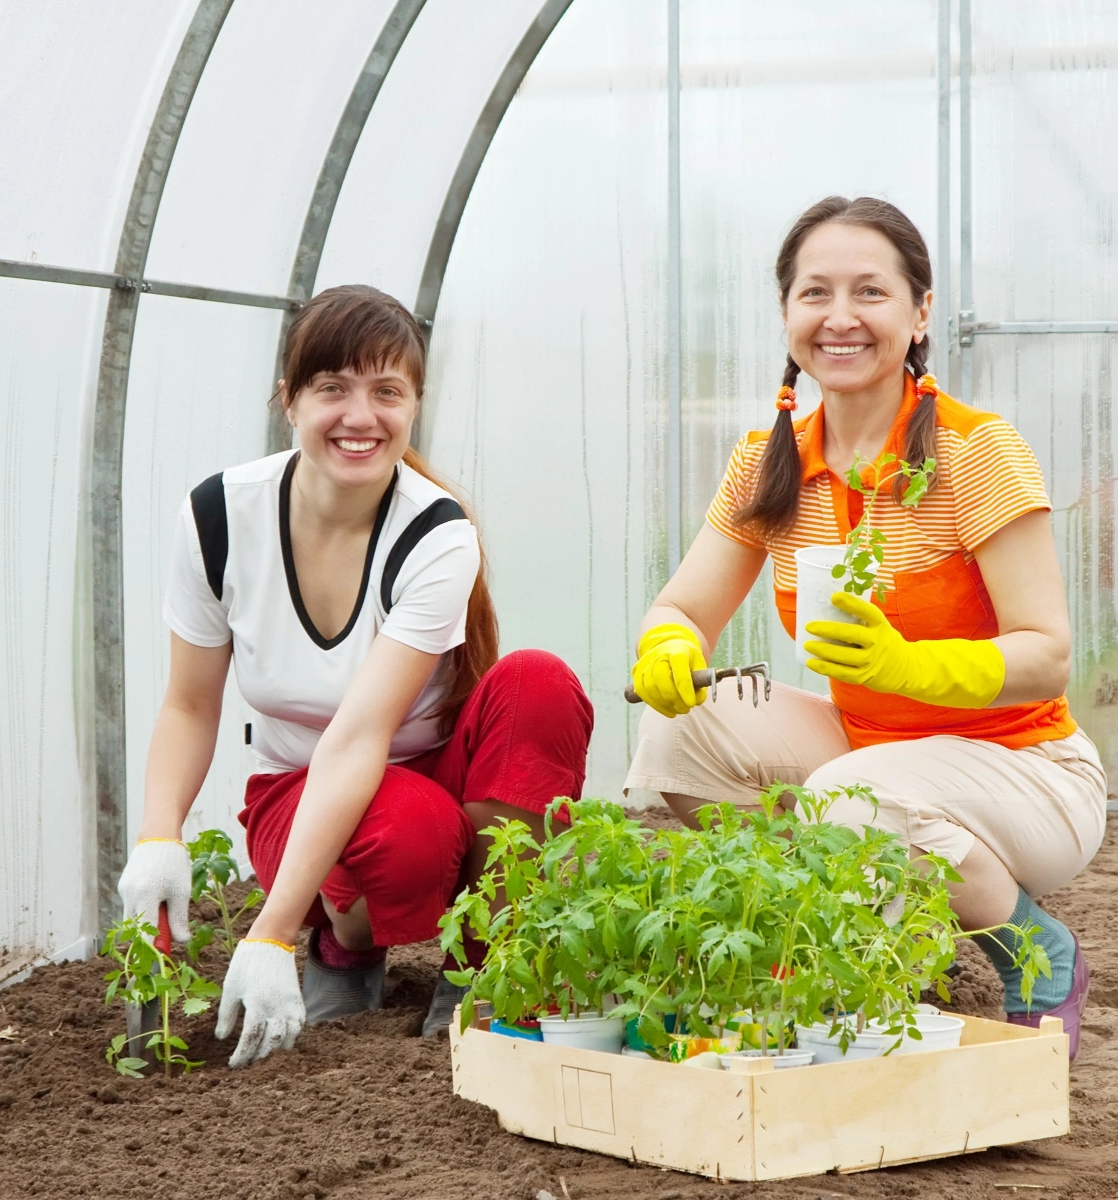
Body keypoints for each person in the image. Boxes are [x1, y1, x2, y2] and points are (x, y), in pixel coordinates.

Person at [625, 196, 1105, 1059]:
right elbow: (684, 607)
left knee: (849, 801)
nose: (840, 318)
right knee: (676, 732)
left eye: (870, 293)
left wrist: (908, 666)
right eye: (815, 294)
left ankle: (1033, 946)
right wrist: (668, 642)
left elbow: (1047, 656)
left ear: (920, 314)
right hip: (868, 753)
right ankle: (837, 924)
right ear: (785, 315)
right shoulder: (772, 460)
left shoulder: (974, 451)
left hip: (1028, 773)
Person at [117, 285, 593, 1067]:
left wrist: (265, 932)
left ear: (415, 405)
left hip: (419, 760)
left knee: (537, 683)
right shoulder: (218, 517)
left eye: (386, 391)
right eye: (332, 388)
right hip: (300, 785)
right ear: (289, 400)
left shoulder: (435, 533)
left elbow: (364, 732)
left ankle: (486, 962)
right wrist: (159, 834)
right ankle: (342, 942)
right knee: (406, 831)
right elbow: (189, 704)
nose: (359, 416)